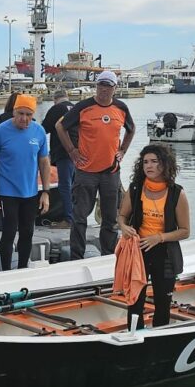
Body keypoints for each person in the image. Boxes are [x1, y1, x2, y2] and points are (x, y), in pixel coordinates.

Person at [56, 70, 135, 260]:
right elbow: (60, 126)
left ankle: (108, 256)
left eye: (108, 86)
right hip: (85, 172)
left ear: (115, 88)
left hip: (111, 172)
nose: (104, 90)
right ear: (96, 87)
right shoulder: (84, 107)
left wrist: (123, 150)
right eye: (101, 85)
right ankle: (77, 256)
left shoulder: (121, 108)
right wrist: (72, 151)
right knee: (80, 217)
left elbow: (131, 129)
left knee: (109, 218)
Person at [116, 143, 190, 328]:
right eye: (145, 162)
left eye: (154, 161)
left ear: (164, 164)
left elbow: (185, 231)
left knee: (162, 303)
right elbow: (122, 216)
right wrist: (124, 227)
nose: (149, 166)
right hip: (138, 252)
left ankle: (159, 337)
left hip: (165, 254)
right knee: (134, 301)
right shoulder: (135, 189)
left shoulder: (177, 193)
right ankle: (134, 335)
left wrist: (159, 237)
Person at [0, 94, 50, 270]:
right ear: (14, 112)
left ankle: (22, 269)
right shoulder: (0, 132)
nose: (24, 119)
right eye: (21, 114)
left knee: (28, 232)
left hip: (30, 192)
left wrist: (46, 191)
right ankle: (6, 271)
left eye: (29, 115)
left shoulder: (39, 131)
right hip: (8, 193)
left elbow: (44, 161)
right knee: (9, 232)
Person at [41, 89, 75, 228]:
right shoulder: (75, 108)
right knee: (74, 187)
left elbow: (42, 130)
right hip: (79, 153)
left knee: (65, 186)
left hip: (63, 152)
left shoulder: (56, 109)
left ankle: (68, 219)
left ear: (55, 99)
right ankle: (76, 217)